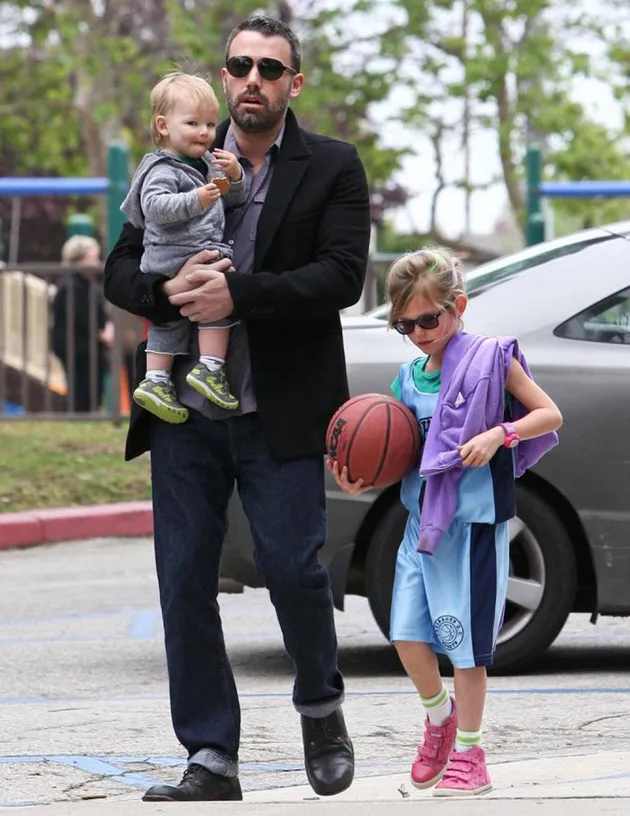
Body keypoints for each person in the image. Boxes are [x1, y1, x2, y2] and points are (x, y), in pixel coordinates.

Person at [104, 14, 371, 803]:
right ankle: (211, 754)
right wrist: (166, 293)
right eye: (240, 65)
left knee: (294, 569)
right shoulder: (176, 157)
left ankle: (320, 707)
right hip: (183, 413)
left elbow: (342, 275)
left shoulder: (333, 166)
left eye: (270, 68)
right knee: (185, 582)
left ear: (294, 83)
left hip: (278, 411)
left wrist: (238, 295)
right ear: (225, 78)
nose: (253, 79)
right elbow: (121, 268)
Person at [330, 247, 563, 796]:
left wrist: (500, 434)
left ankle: (471, 753)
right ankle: (440, 719)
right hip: (422, 527)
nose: (418, 333)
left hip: (474, 527)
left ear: (458, 306)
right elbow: (402, 453)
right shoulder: (407, 379)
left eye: (428, 320)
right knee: (407, 637)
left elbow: (549, 414)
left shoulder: (491, 360)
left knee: (467, 651)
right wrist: (362, 478)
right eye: (405, 325)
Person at [120, 71, 247, 422]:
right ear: (163, 126)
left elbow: (228, 198)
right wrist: (196, 199)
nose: (204, 132)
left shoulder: (204, 163)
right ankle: (210, 367)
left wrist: (235, 176)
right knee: (220, 293)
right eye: (193, 123)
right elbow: (154, 207)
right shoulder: (162, 168)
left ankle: (156, 379)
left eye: (210, 124)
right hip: (173, 253)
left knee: (174, 319)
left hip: (188, 251)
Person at [51, 235, 114, 412]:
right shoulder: (70, 285)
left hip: (89, 346)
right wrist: (101, 332)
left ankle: (88, 415)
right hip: (76, 347)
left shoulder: (87, 283)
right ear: (77, 260)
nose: (96, 263)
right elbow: (80, 315)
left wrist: (106, 326)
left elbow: (99, 310)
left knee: (93, 389)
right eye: (92, 258)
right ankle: (81, 417)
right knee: (82, 390)